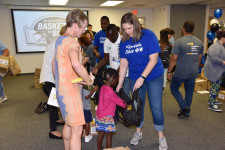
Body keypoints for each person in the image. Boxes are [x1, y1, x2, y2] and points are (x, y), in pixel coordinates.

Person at [116, 13, 168, 150]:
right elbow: (123, 63)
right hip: (134, 77)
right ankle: (138, 132)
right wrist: (120, 83)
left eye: (129, 28)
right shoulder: (124, 42)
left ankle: (161, 136)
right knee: (137, 107)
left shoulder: (148, 35)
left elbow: (154, 59)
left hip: (153, 77)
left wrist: (142, 77)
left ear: (136, 24)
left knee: (156, 107)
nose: (127, 32)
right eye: (124, 29)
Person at [52, 9, 94, 150]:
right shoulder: (72, 43)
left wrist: (61, 81)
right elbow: (76, 64)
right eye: (83, 27)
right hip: (70, 92)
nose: (83, 31)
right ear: (75, 25)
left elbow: (54, 64)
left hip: (61, 90)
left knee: (68, 123)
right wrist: (88, 80)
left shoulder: (60, 40)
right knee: (77, 128)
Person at [167, 21, 203, 118]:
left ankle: (184, 107)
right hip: (194, 71)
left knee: (173, 88)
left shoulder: (179, 42)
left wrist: (169, 71)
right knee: (189, 91)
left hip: (181, 71)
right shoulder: (199, 42)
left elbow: (174, 59)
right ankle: (186, 111)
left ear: (183, 29)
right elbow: (199, 59)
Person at [39, 25, 66, 139]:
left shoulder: (55, 41)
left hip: (47, 78)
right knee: (53, 104)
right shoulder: (58, 44)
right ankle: (53, 131)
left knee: (54, 102)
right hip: (50, 79)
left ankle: (56, 120)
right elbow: (54, 64)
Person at [96, 68, 126, 150]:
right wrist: (126, 105)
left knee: (101, 134)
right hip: (107, 118)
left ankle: (99, 148)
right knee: (109, 135)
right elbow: (119, 102)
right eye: (117, 79)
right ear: (113, 80)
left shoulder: (103, 87)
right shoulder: (111, 92)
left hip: (99, 115)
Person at [203, 31, 225, 112]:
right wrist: (223, 62)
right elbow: (214, 58)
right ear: (222, 38)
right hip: (214, 70)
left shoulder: (220, 46)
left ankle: (212, 100)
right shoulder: (215, 46)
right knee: (215, 87)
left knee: (216, 86)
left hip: (219, 70)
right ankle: (211, 105)